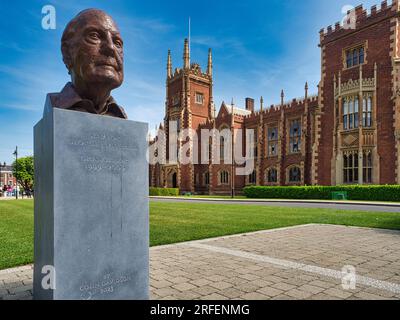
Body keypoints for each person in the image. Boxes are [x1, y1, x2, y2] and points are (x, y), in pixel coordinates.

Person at [49, 9, 127, 119]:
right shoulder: (55, 108)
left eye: (117, 43)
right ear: (67, 52)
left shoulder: (120, 116)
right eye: (94, 36)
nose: (111, 47)